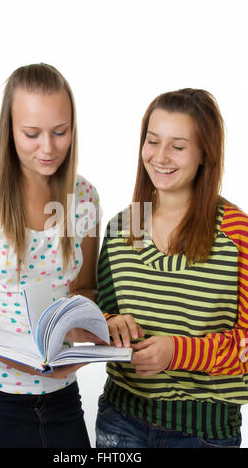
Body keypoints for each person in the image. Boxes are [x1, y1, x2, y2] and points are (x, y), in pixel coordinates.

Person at [0, 63, 101, 448]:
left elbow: (85, 289)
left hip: (61, 397)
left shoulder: (83, 198)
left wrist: (83, 332)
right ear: (10, 130)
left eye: (60, 132)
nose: (48, 148)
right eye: (31, 134)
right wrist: (26, 359)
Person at [95, 88, 248, 448]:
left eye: (177, 146)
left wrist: (175, 352)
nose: (160, 157)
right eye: (152, 141)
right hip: (119, 423)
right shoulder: (121, 229)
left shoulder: (236, 233)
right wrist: (106, 322)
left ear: (204, 153)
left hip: (202, 435)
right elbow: (99, 310)